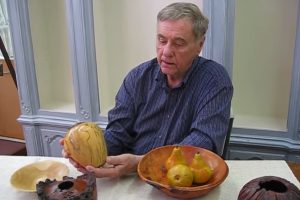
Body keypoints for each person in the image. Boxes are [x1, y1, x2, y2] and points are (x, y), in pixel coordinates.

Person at [61, 2, 233, 178]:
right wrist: (85, 151)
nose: (166, 51)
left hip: (181, 184)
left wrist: (142, 162)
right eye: (162, 40)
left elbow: (203, 144)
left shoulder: (214, 80)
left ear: (200, 44)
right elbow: (118, 133)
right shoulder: (137, 78)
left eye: (179, 43)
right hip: (132, 179)